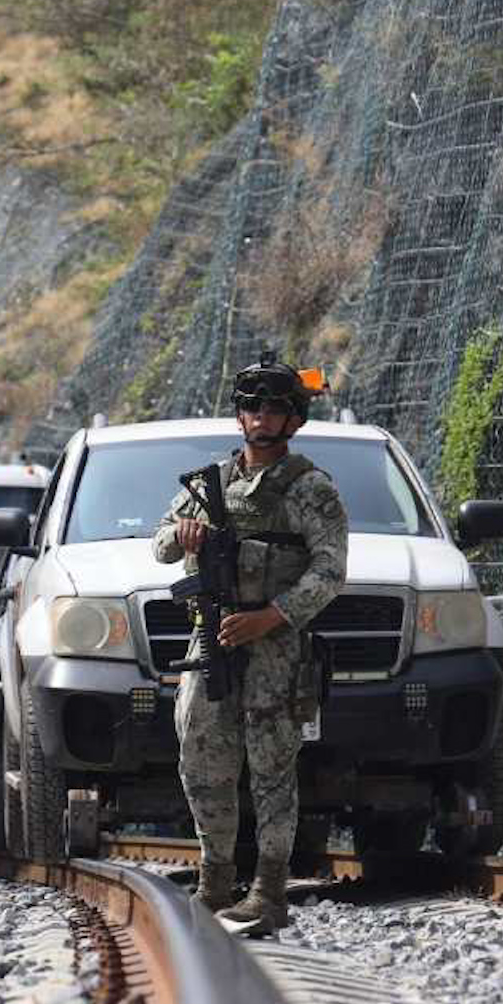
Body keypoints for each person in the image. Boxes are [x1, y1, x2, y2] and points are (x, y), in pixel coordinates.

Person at [152, 351, 348, 932]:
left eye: (274, 408)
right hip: (211, 638)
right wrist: (183, 532)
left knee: (271, 770)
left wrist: (273, 617)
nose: (261, 417)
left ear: (293, 420)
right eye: (252, 407)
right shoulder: (213, 482)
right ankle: (215, 881)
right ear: (240, 416)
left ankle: (267, 890)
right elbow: (161, 545)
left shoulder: (310, 489)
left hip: (275, 650)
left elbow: (330, 572)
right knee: (202, 761)